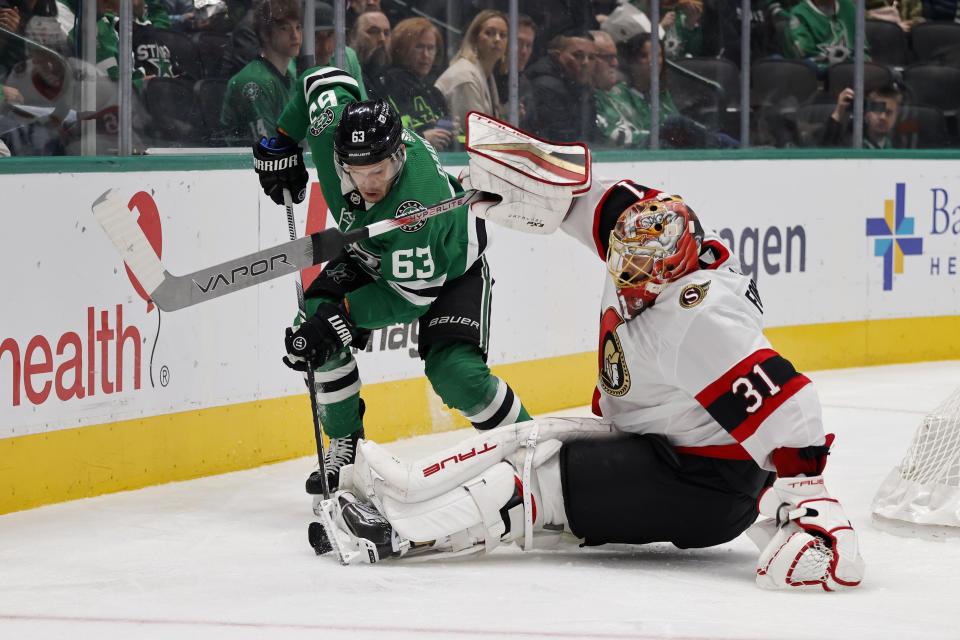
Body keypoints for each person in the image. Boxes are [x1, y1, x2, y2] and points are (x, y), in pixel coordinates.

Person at [311, 162, 866, 593]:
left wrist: (812, 504)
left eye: (645, 274)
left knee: (535, 481)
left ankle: (392, 535)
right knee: (529, 438)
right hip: (663, 440)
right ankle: (406, 486)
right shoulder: (646, 238)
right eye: (622, 264)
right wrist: (528, 180)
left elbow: (788, 401)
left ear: (677, 266)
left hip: (700, 485)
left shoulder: (700, 317)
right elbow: (592, 204)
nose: (629, 283)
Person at [250, 87, 533, 494]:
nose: (368, 183)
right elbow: (320, 80)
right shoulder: (332, 128)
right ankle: (346, 444)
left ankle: (532, 453)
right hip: (371, 252)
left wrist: (341, 319)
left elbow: (407, 299)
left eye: (379, 170)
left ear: (399, 153)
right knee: (313, 329)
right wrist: (282, 140)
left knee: (456, 375)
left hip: (450, 268)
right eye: (355, 171)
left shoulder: (417, 209)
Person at [220, 0, 301, 144]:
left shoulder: (292, 75)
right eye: (284, 28)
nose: (295, 35)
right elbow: (268, 149)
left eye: (298, 27)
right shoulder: (254, 82)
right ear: (265, 34)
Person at [377, 17, 453, 150]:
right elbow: (382, 136)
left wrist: (451, 133)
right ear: (401, 49)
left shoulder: (434, 93)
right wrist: (422, 137)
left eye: (431, 48)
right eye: (419, 47)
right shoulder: (388, 85)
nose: (426, 55)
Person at [434, 9, 507, 134]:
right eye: (489, 33)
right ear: (474, 39)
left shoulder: (486, 74)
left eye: (503, 35)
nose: (497, 39)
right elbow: (476, 135)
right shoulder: (466, 77)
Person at [523, 29, 598, 142]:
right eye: (578, 55)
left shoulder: (582, 87)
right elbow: (560, 138)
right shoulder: (544, 87)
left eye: (591, 57)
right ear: (558, 55)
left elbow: (590, 132)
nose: (585, 63)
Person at [591, 29, 645, 147]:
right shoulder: (587, 102)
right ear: (589, 58)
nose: (615, 64)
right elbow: (614, 139)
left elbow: (651, 124)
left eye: (615, 57)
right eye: (608, 57)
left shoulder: (623, 92)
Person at [783, 0, 863, 73]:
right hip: (819, 77)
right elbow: (805, 57)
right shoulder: (799, 14)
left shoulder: (849, 7)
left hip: (852, 73)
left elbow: (863, 50)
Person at [493, 13, 537, 130]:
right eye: (518, 43)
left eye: (529, 45)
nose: (524, 51)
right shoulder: (487, 77)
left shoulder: (524, 84)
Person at [821, 84, 901, 148]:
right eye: (877, 110)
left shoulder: (902, 147)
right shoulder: (848, 144)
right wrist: (838, 112)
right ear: (866, 113)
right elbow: (824, 150)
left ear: (896, 116)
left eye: (889, 112)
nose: (882, 117)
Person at [312, 0, 366, 95]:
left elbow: (361, 101)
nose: (325, 47)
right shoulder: (291, 66)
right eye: (316, 37)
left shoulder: (347, 56)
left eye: (330, 35)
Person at [348, 9, 390, 94]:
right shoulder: (347, 75)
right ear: (353, 35)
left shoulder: (393, 78)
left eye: (386, 33)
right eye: (373, 32)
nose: (382, 38)